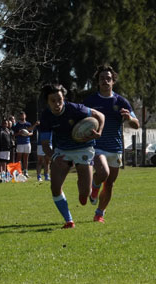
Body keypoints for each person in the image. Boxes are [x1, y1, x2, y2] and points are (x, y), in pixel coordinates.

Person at [38, 83, 105, 229]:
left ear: (64, 99)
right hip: (62, 150)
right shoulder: (46, 116)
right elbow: (45, 144)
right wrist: (55, 157)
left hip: (83, 148)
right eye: (53, 101)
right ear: (47, 102)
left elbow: (100, 115)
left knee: (84, 196)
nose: (57, 104)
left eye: (59, 100)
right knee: (55, 187)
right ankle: (69, 221)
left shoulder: (75, 109)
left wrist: (99, 131)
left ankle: (87, 187)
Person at [83, 64, 140, 223]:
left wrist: (129, 118)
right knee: (103, 173)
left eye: (108, 78)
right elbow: (81, 121)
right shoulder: (90, 101)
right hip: (96, 145)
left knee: (109, 184)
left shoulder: (121, 101)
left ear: (113, 81)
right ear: (98, 81)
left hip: (115, 147)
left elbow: (136, 124)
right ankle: (94, 188)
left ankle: (100, 213)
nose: (105, 81)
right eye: (102, 78)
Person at [13, 111, 39, 178]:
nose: (22, 116)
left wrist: (27, 134)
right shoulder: (17, 125)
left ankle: (25, 172)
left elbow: (31, 133)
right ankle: (17, 172)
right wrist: (19, 133)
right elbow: (14, 134)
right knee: (18, 158)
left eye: (23, 115)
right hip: (20, 143)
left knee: (26, 158)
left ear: (25, 116)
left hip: (27, 142)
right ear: (19, 116)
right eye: (21, 115)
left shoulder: (28, 124)